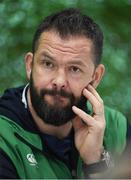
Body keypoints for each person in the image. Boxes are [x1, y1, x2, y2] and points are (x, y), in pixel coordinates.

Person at [0, 8, 127, 179]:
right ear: (30, 65)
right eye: (47, 64)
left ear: (95, 77)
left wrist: (95, 162)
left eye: (74, 69)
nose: (59, 81)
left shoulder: (116, 129)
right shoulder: (4, 137)